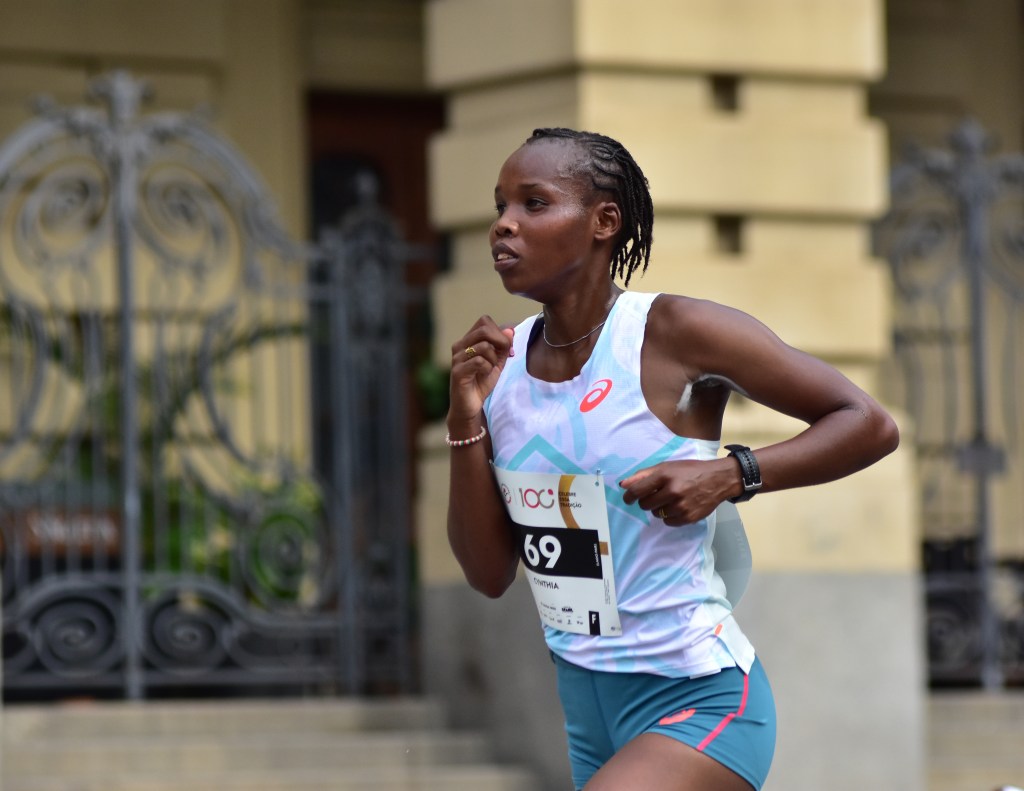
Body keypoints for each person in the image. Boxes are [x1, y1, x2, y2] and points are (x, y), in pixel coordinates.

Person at [444, 127, 900, 791]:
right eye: (500, 207)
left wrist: (732, 473)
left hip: (700, 697)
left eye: (533, 204)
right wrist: (465, 419)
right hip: (588, 710)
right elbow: (488, 574)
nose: (504, 225)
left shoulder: (674, 332)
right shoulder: (500, 369)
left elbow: (868, 423)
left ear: (604, 222)